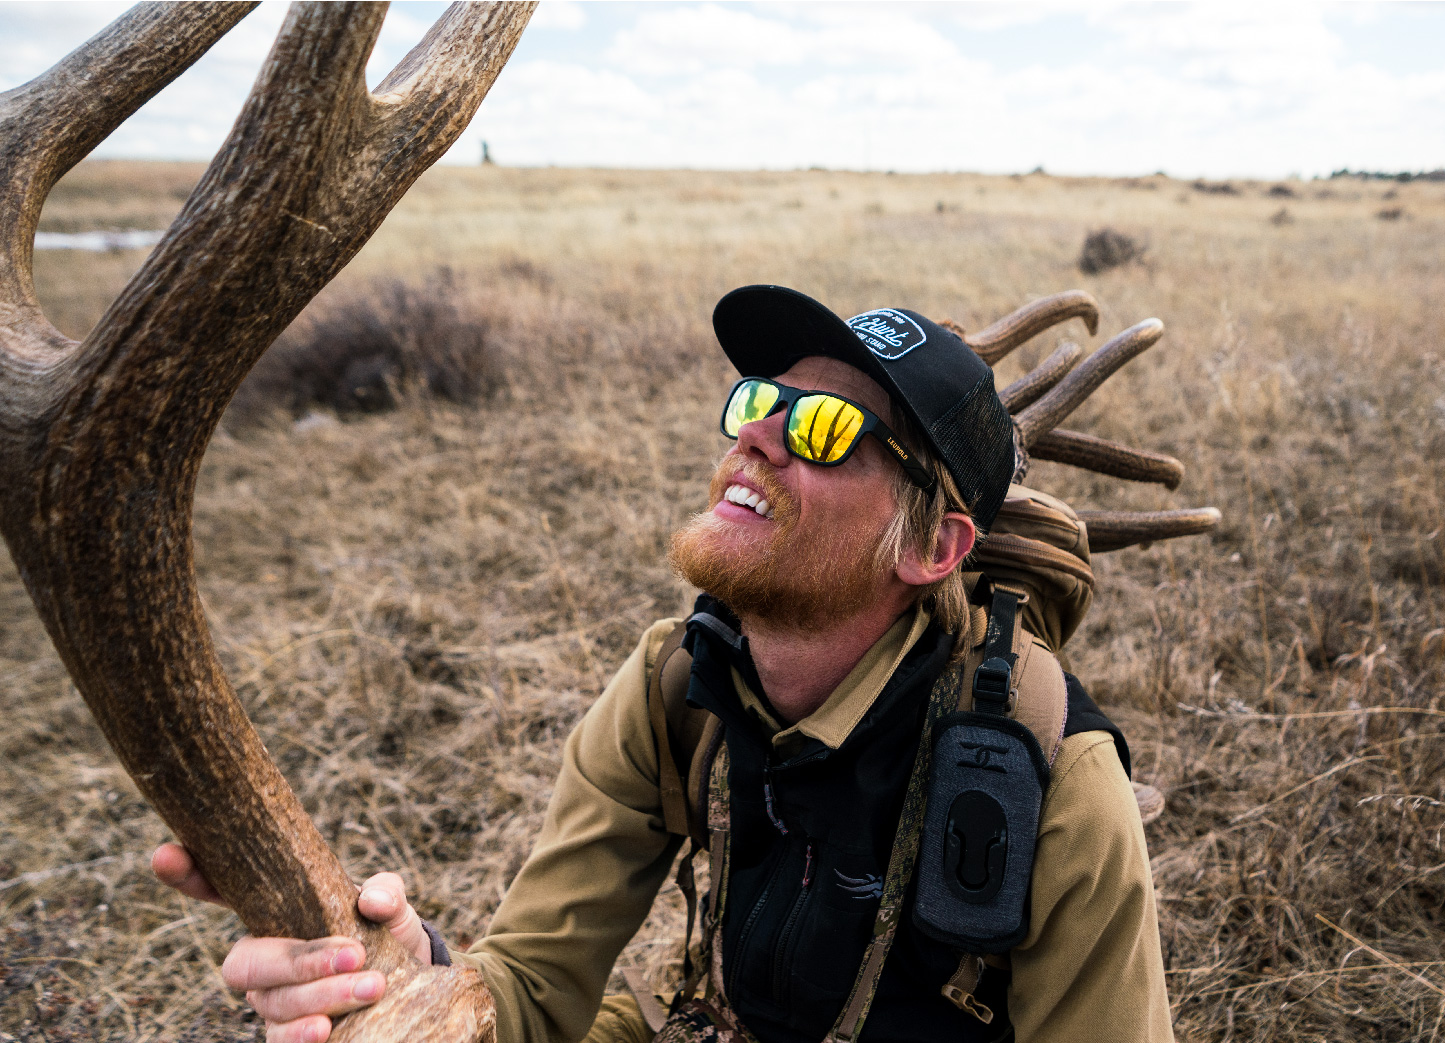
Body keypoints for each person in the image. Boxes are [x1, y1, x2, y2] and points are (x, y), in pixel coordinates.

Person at [154, 286, 1174, 1043]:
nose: (759, 437)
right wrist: (403, 980)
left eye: (822, 429)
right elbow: (534, 983)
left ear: (932, 549)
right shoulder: (675, 687)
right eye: (756, 401)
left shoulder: (1053, 776)